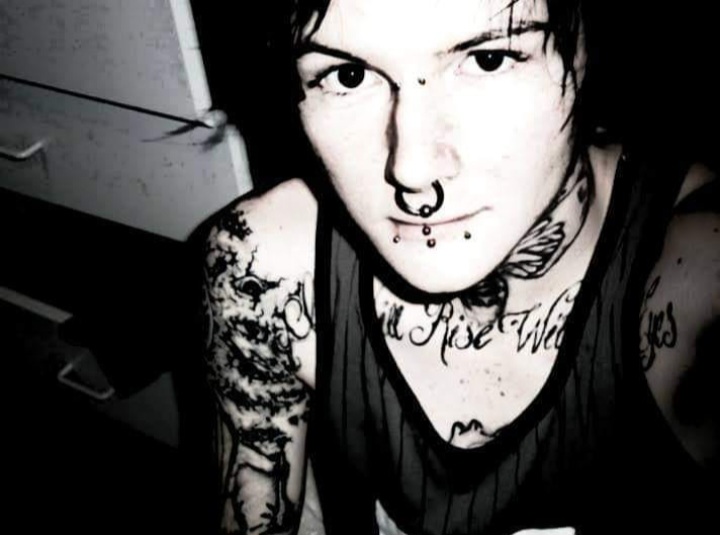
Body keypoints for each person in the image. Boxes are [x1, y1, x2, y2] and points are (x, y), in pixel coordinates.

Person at [201, 0, 718, 533]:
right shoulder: (268, 270)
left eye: (490, 60)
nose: (413, 170)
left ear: (593, 48)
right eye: (348, 75)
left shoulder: (697, 269)